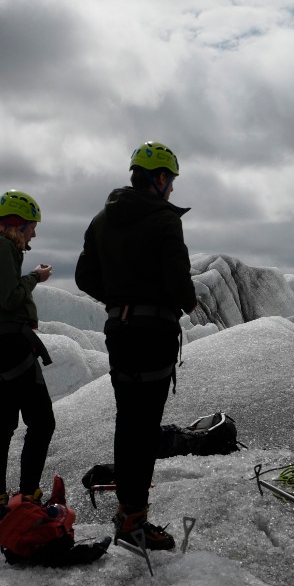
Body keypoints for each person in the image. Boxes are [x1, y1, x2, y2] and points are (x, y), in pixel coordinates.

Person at [76, 140, 196, 551]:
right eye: (171, 180)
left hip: (119, 332)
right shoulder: (164, 220)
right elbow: (179, 281)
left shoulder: (100, 220)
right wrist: (184, 300)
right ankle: (135, 521)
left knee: (129, 420)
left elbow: (83, 276)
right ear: (159, 178)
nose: (173, 188)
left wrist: (118, 297)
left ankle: (130, 512)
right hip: (154, 332)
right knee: (144, 428)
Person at [0, 191, 56, 514]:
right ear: (18, 224)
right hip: (12, 346)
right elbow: (9, 298)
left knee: (4, 422)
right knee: (42, 421)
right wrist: (35, 277)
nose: (33, 233)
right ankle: (29, 496)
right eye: (32, 226)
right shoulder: (1, 246)